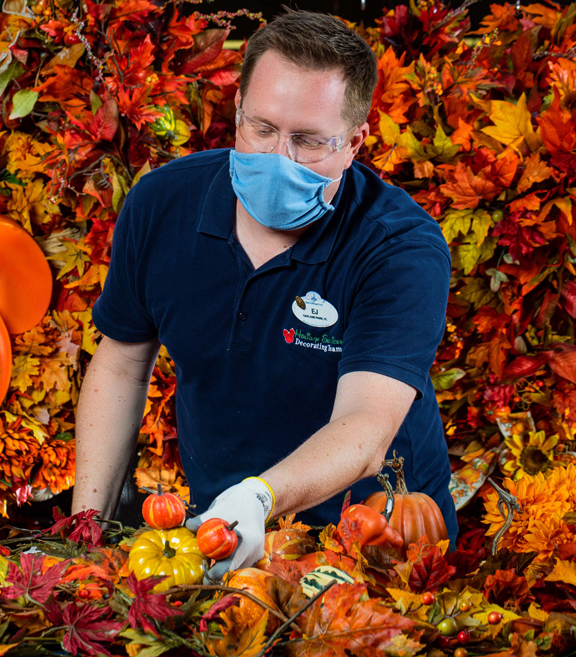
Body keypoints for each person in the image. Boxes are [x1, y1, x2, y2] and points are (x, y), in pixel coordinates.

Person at [71, 9, 458, 577]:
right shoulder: (161, 205)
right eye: (263, 129)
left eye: (307, 141)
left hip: (373, 538)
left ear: (355, 142)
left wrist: (258, 499)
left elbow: (366, 426)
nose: (280, 159)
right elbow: (122, 366)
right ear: (237, 114)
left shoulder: (400, 247)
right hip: (215, 531)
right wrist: (87, 529)